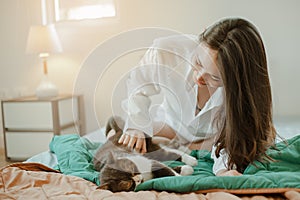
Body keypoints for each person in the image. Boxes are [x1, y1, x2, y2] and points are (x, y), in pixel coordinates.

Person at [117, 17, 277, 176]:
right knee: (123, 135)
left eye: (214, 78)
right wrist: (137, 125)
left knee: (259, 143)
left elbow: (232, 139)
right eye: (198, 62)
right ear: (202, 34)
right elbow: (138, 85)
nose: (199, 78)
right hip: (172, 126)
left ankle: (186, 148)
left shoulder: (242, 89)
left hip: (213, 137)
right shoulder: (166, 50)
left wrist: (223, 171)